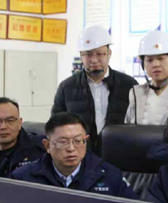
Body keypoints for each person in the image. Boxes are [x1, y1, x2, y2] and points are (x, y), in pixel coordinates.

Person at [52, 25, 137, 155]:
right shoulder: (67, 87)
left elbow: (136, 125)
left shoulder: (128, 85)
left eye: (100, 53)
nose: (94, 60)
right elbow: (56, 125)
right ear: (81, 56)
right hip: (81, 156)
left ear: (109, 53)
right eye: (88, 54)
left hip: (120, 153)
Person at [11, 112, 136, 199]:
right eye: (62, 142)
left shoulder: (110, 176)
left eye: (78, 141)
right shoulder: (23, 178)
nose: (71, 149)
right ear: (47, 145)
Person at [125, 29, 168, 125]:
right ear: (143, 64)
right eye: (149, 60)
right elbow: (128, 128)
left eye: (161, 59)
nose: (155, 64)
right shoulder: (136, 94)